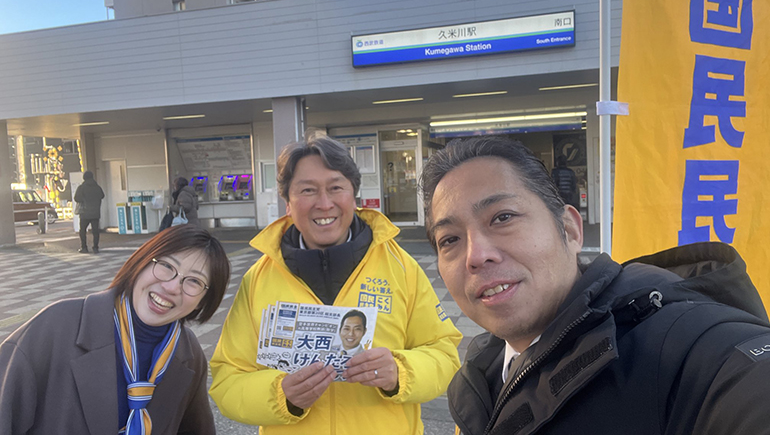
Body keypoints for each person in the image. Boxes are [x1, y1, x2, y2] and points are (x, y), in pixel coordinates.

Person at [419, 136, 770, 435]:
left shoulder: (686, 347)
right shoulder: (485, 371)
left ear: (570, 230)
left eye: (503, 218)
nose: (475, 256)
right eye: (449, 239)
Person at [209, 134, 462, 434]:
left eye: (335, 187)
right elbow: (227, 379)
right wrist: (282, 394)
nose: (324, 203)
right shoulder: (258, 279)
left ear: (353, 196)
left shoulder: (400, 266)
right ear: (288, 203)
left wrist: (400, 371)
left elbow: (445, 354)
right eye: (307, 190)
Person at [0, 224, 231, 435]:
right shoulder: (57, 326)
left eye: (193, 281)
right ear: (141, 262)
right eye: (166, 266)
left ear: (202, 300)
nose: (172, 287)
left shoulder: (188, 354)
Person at [74, 170, 105, 253]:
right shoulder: (97, 187)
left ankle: (84, 247)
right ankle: (95, 247)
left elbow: (76, 198)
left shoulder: (82, 187)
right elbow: (102, 196)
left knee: (83, 230)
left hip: (85, 212)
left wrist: (84, 199)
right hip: (95, 212)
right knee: (95, 231)